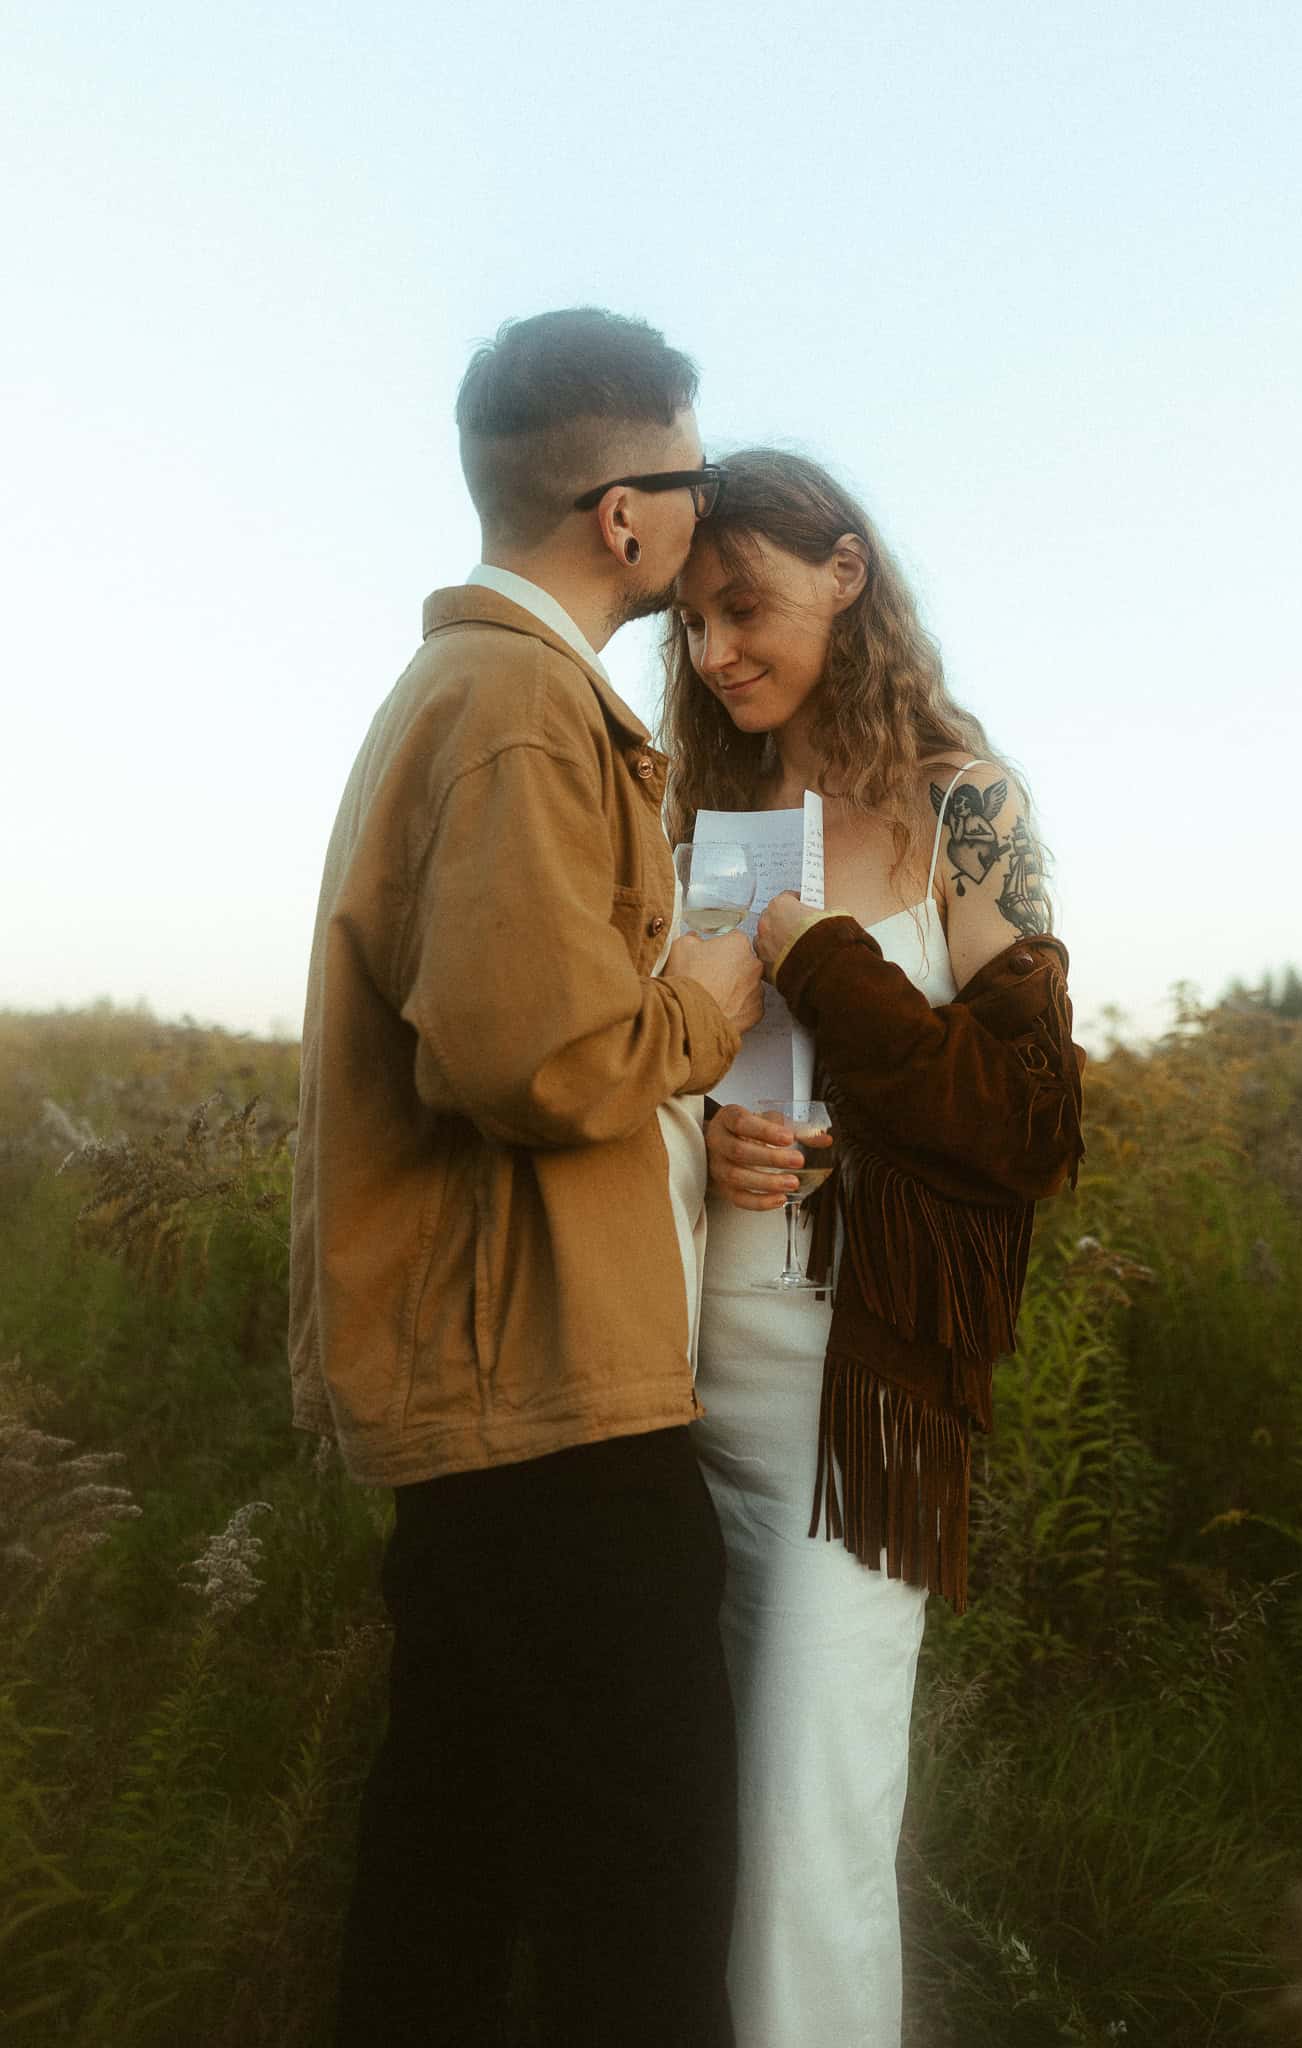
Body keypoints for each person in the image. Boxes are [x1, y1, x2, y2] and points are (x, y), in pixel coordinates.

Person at [288, 308, 765, 2048]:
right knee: (640, 1915)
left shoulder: (489, 692)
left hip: (509, 1396)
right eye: (694, 481)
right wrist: (706, 1009)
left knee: (449, 1885)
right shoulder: (512, 705)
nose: (705, 519)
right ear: (626, 514)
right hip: (548, 1409)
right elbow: (531, 1057)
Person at [660, 448, 1085, 2048]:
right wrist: (708, 1132)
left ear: (846, 572)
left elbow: (1029, 1119)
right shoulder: (690, 808)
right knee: (680, 1821)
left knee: (810, 1827)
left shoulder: (965, 805)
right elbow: (646, 1064)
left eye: (745, 605)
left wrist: (823, 958)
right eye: (691, 623)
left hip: (858, 1407)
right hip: (669, 1371)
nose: (716, 653)